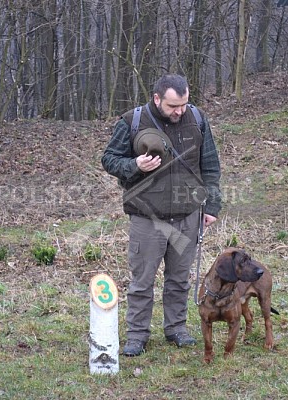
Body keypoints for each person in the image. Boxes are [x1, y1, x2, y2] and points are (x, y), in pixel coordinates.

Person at [101, 74, 222, 356]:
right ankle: (137, 336)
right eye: (172, 106)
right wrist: (134, 165)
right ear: (157, 99)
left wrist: (212, 207)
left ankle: (177, 329)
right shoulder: (131, 120)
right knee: (142, 282)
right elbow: (109, 159)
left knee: (180, 279)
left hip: (188, 215)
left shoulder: (198, 119)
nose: (179, 111)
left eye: (183, 104)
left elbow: (211, 166)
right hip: (147, 217)